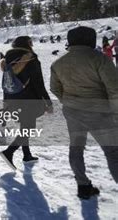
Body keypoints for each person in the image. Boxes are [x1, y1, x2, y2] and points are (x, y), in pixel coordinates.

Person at [51, 26, 118, 199]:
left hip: (73, 112)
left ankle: (82, 185)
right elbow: (114, 90)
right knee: (112, 152)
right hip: (100, 113)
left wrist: (69, 101)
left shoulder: (58, 63)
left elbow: (55, 88)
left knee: (76, 148)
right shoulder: (100, 59)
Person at [0, 36, 53, 170]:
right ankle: (8, 152)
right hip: (29, 100)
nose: (32, 46)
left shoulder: (8, 60)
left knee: (24, 127)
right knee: (28, 129)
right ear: (27, 45)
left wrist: (6, 104)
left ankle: (27, 155)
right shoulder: (31, 59)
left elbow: (6, 84)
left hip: (13, 100)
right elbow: (39, 83)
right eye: (31, 43)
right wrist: (48, 102)